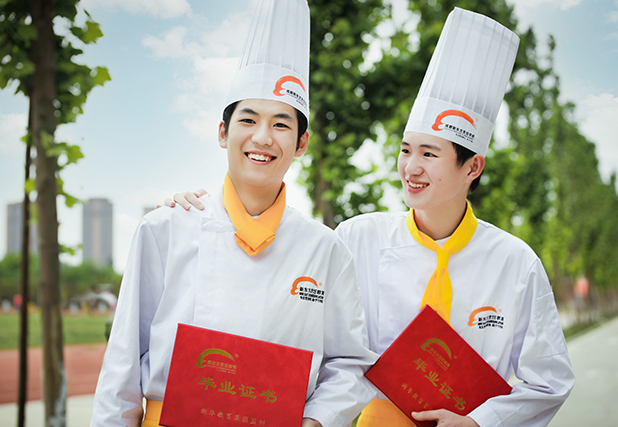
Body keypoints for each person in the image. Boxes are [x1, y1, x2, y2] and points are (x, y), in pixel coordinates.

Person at [168, 7, 575, 427]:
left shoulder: (515, 263)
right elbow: (283, 293)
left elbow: (550, 380)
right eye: (406, 150)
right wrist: (207, 212)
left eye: (429, 154)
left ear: (473, 167)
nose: (411, 167)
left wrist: (479, 422)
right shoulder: (357, 238)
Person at [91, 1, 377, 426]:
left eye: (281, 124)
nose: (262, 137)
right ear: (223, 133)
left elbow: (349, 362)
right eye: (248, 120)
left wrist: (316, 420)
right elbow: (122, 365)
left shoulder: (325, 249)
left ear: (301, 143)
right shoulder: (165, 228)